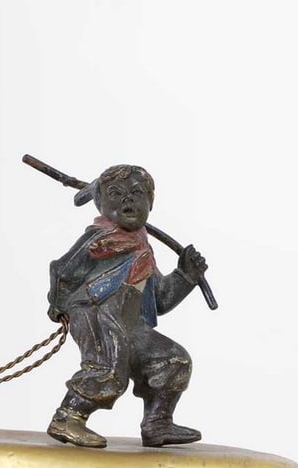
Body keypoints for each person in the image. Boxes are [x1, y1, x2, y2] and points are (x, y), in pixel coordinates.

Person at [46, 164, 208, 448]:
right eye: (116, 194)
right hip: (97, 311)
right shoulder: (99, 239)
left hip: (131, 322)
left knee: (172, 360)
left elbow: (160, 299)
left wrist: (186, 275)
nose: (127, 200)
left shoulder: (141, 246)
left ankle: (157, 422)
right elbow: (62, 270)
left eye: (136, 193)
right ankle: (68, 417)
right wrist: (59, 307)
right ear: (100, 202)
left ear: (150, 203)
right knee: (108, 369)